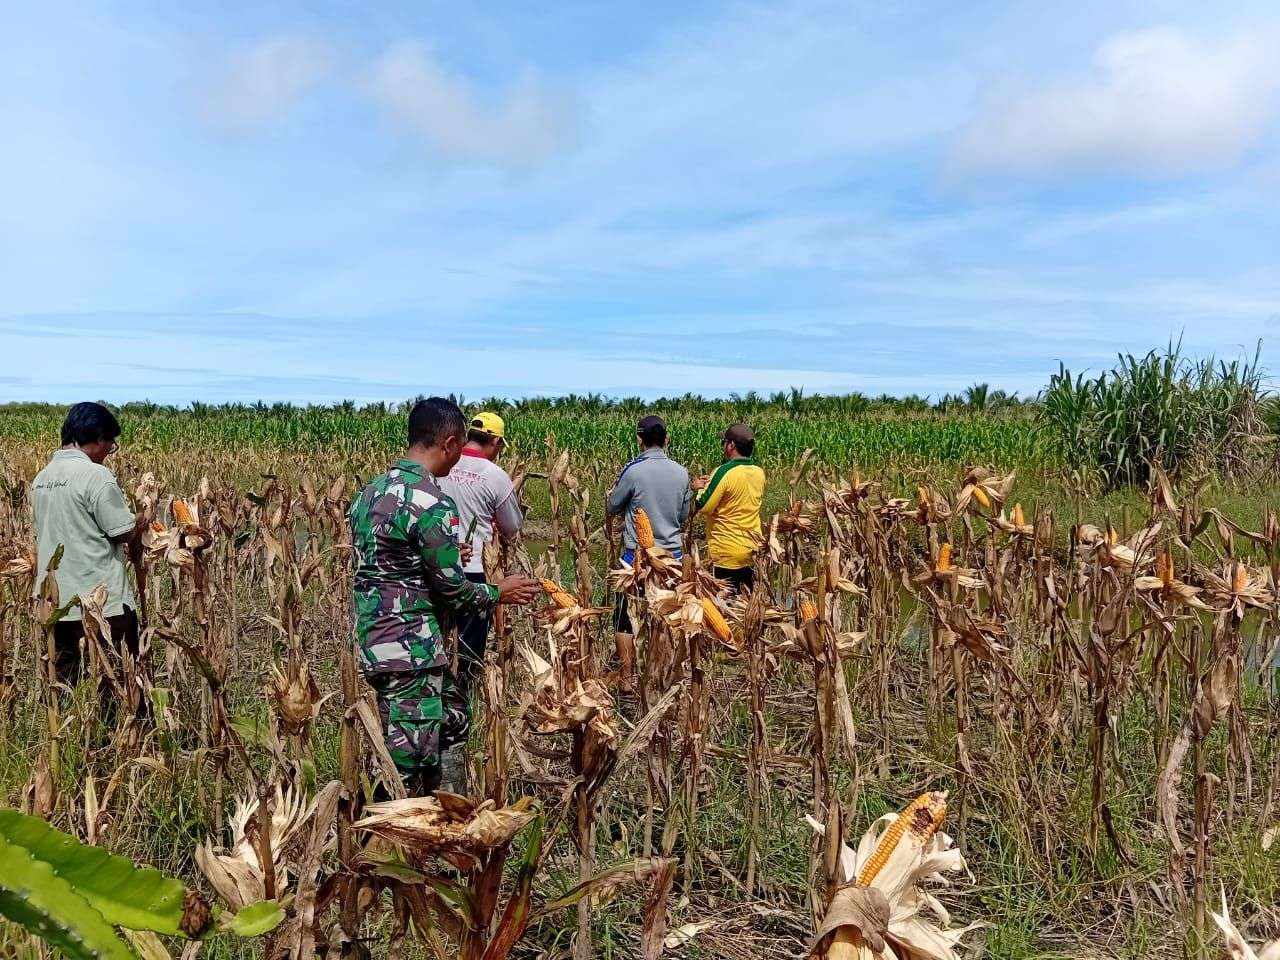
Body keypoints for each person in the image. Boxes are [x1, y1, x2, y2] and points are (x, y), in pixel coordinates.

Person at [348, 397, 539, 795]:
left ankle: (445, 812)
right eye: (458, 449)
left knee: (453, 717)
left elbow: (390, 562)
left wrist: (449, 554)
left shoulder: (369, 493)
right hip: (410, 648)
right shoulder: (431, 501)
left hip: (377, 639)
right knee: (406, 760)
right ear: (450, 443)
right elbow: (453, 590)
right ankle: (385, 843)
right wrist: (498, 591)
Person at [32, 402, 146, 693]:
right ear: (96, 438)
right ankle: (117, 739)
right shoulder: (95, 476)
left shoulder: (42, 479)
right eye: (110, 443)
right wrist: (142, 520)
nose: (110, 451)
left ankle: (73, 739)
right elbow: (122, 532)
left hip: (55, 603)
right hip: (101, 604)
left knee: (64, 688)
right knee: (121, 688)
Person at [438, 411, 524, 695]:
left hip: (437, 567)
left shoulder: (441, 464)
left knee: (439, 637)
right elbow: (512, 528)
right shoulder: (496, 477)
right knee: (469, 645)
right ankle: (462, 697)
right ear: (495, 441)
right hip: (477, 570)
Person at [605, 414, 691, 687]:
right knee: (667, 615)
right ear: (666, 439)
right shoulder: (682, 472)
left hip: (636, 556)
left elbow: (613, 506)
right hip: (672, 556)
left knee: (625, 617)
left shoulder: (634, 471)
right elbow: (684, 514)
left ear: (639, 439)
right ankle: (664, 675)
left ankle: (627, 678)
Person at [692, 423, 765, 593]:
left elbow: (703, 506)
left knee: (726, 611)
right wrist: (713, 482)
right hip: (751, 551)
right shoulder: (759, 472)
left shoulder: (724, 471)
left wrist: (700, 487)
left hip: (726, 554)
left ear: (731, 445)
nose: (723, 446)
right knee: (744, 607)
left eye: (724, 442)